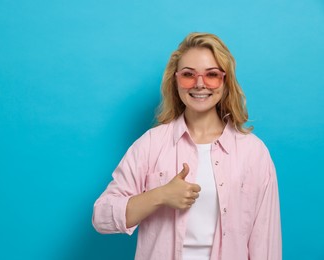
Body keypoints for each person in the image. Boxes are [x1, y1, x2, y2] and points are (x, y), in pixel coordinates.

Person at [92, 32, 282, 260]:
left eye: (211, 75)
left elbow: (265, 244)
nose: (200, 84)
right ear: (176, 80)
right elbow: (101, 216)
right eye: (188, 75)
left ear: (225, 81)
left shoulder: (253, 152)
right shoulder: (151, 144)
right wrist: (160, 195)